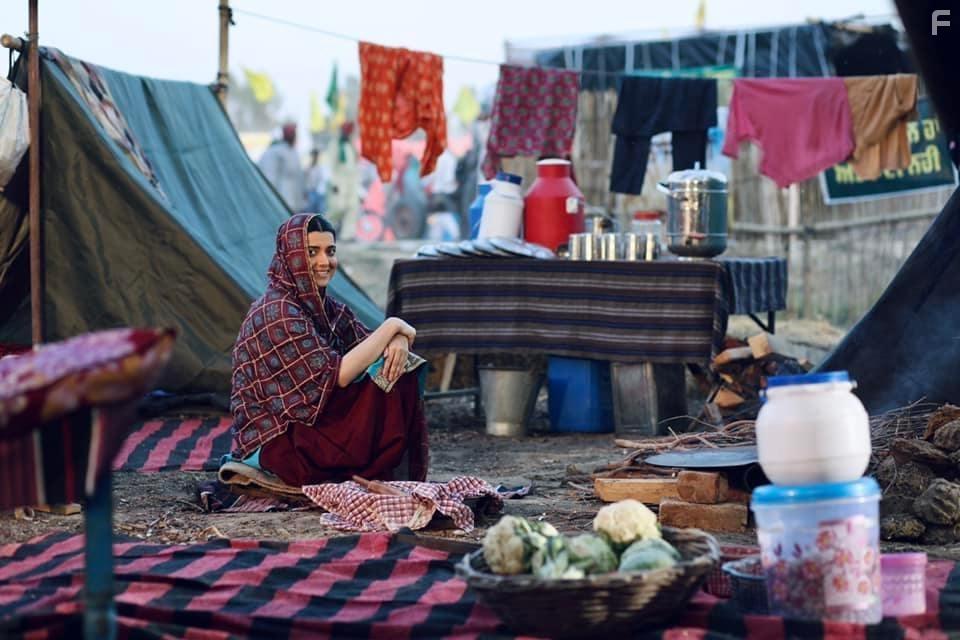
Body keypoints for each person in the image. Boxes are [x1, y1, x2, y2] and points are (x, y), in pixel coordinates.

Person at [229, 213, 428, 485]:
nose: (325, 262)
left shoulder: (324, 306)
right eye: (312, 252)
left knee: (399, 368)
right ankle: (367, 471)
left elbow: (368, 344)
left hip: (311, 422)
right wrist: (393, 325)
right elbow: (338, 375)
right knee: (387, 375)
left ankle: (375, 472)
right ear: (291, 257)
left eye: (330, 251)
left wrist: (399, 339)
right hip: (278, 438)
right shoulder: (278, 311)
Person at [259, 122, 306, 211]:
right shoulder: (276, 152)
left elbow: (299, 178)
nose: (295, 136)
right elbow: (269, 176)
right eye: (293, 133)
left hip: (293, 202)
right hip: (280, 200)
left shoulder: (293, 152)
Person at [304, 148, 329, 215]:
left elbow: (324, 181)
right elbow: (306, 182)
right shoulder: (308, 169)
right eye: (314, 155)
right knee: (310, 212)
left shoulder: (321, 168)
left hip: (319, 193)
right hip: (311, 193)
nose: (315, 157)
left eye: (316, 155)